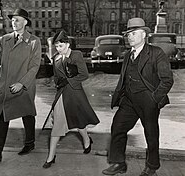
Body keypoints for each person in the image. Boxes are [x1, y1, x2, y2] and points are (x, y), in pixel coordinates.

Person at [102, 18, 174, 176]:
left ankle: (152, 167)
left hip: (148, 100)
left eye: (133, 33)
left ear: (143, 34)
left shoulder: (156, 53)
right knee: (118, 127)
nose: (130, 37)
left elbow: (167, 80)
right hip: (128, 100)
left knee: (151, 134)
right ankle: (119, 163)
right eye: (128, 34)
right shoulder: (128, 55)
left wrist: (154, 99)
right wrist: (120, 96)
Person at [0, 8, 41, 162]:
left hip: (23, 85)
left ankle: (29, 143)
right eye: (13, 20)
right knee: (2, 116)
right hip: (7, 85)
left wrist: (22, 83)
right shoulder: (5, 39)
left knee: (27, 114)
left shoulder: (34, 41)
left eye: (18, 20)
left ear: (25, 22)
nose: (14, 22)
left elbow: (35, 66)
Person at [42, 30, 100, 168]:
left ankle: (86, 139)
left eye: (60, 46)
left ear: (67, 44)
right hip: (61, 95)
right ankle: (51, 157)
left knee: (79, 122)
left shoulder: (76, 55)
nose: (58, 49)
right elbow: (56, 76)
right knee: (57, 126)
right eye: (56, 46)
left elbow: (84, 75)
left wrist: (69, 81)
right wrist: (56, 83)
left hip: (75, 94)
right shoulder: (55, 58)